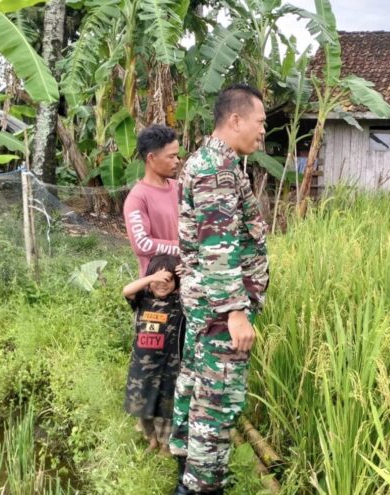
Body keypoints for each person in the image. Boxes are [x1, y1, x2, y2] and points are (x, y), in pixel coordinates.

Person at [169, 84, 269, 495]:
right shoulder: (216, 169)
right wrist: (235, 312)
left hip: (204, 304)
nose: (262, 132)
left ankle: (188, 464)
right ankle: (200, 486)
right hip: (218, 310)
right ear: (235, 120)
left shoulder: (216, 161)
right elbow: (217, 245)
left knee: (196, 383)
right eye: (260, 123)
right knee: (216, 399)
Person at [122, 254, 185, 454]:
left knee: (166, 408)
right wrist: (152, 278)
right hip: (142, 366)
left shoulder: (179, 302)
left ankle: (166, 445)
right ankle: (152, 440)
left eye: (168, 281)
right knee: (142, 404)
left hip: (170, 366)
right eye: (158, 281)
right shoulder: (143, 300)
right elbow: (127, 290)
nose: (162, 285)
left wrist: (189, 276)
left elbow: (199, 294)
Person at [123, 125, 181, 277]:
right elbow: (142, 245)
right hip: (158, 286)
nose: (177, 161)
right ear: (151, 158)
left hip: (185, 281)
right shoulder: (137, 198)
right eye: (171, 156)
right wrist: (182, 247)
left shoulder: (180, 188)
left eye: (177, 156)